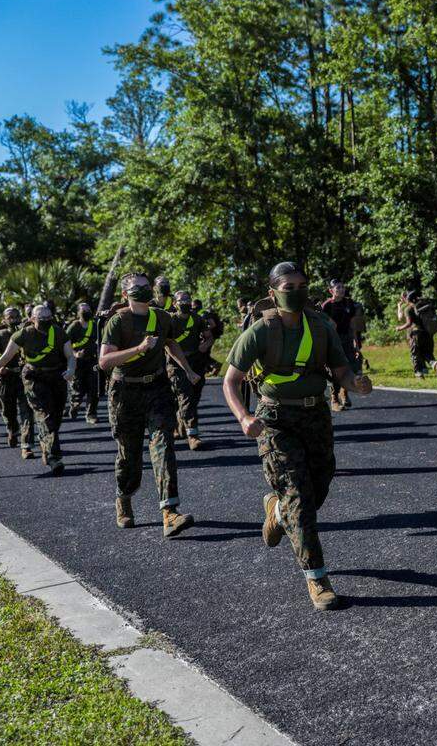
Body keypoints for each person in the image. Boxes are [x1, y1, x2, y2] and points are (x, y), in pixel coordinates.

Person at [222, 262, 373, 611]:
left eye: (302, 284)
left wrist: (356, 384)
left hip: (315, 415)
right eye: (289, 286)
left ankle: (276, 512)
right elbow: (231, 381)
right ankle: (317, 577)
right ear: (273, 291)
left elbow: (341, 371)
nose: (297, 290)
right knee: (299, 498)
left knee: (318, 487)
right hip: (274, 419)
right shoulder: (260, 331)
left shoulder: (321, 327)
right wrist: (243, 416)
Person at [99, 272, 200, 537]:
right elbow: (105, 361)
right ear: (125, 295)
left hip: (156, 388)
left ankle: (170, 512)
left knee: (163, 447)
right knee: (129, 455)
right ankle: (124, 498)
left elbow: (170, 343)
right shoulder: (118, 321)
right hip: (124, 392)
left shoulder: (162, 317)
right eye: (136, 288)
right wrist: (139, 349)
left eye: (146, 287)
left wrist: (187, 369)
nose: (143, 291)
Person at [0, 304, 75, 474]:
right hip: (34, 378)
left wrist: (71, 370)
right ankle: (55, 458)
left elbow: (70, 356)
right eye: (42, 319)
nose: (46, 321)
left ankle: (45, 440)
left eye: (49, 318)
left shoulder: (59, 332)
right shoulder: (23, 334)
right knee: (46, 415)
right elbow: (5, 357)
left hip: (56, 377)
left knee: (55, 418)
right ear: (33, 319)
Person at [0, 307, 35, 454]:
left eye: (16, 317)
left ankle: (26, 445)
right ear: (4, 320)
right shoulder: (0, 335)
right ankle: (12, 428)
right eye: (10, 317)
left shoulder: (27, 334)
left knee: (27, 411)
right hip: (5, 378)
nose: (13, 320)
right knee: (6, 409)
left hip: (23, 377)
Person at [168, 290, 212, 449]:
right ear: (174, 303)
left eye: (187, 299)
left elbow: (209, 337)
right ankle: (193, 435)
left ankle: (181, 424)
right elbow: (167, 344)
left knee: (194, 396)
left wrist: (204, 346)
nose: (185, 302)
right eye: (181, 300)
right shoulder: (170, 320)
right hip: (176, 364)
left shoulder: (197, 318)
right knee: (185, 396)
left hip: (196, 361)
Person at [321, 278, 359, 411]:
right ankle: (334, 399)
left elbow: (352, 324)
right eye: (338, 288)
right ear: (331, 291)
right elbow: (325, 326)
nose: (341, 290)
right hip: (333, 340)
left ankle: (344, 392)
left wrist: (355, 341)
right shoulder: (326, 306)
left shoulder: (349, 303)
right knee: (335, 370)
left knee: (349, 367)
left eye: (342, 287)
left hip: (347, 338)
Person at [66, 301, 100, 424]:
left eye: (88, 310)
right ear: (78, 313)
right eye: (83, 310)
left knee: (93, 388)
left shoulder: (95, 325)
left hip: (92, 361)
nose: (86, 312)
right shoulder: (74, 326)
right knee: (77, 389)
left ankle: (91, 414)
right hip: (78, 362)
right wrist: (75, 354)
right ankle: (74, 405)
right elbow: (66, 343)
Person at [395, 291, 437, 378]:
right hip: (428, 334)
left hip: (416, 334)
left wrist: (399, 328)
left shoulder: (408, 309)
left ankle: (419, 374)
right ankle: (435, 364)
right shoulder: (425, 306)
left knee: (415, 354)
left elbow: (409, 324)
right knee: (427, 353)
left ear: (409, 299)